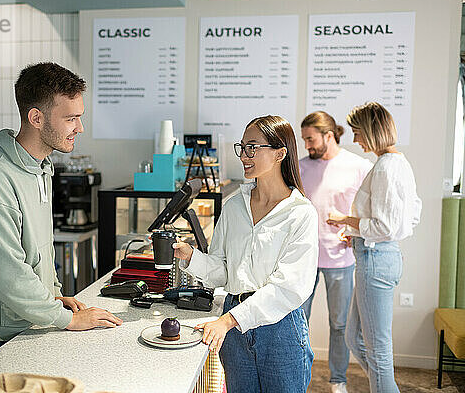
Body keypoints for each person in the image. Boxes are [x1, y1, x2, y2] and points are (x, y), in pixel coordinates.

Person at [0, 63, 122, 370]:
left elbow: (41, 248)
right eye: (71, 118)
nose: (79, 128)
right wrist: (66, 319)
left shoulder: (40, 168)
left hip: (25, 324)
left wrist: (54, 297)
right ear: (36, 118)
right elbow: (7, 274)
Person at [173, 115, 318, 393]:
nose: (244, 156)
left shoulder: (300, 213)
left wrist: (228, 321)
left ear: (280, 153)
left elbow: (289, 288)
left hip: (280, 330)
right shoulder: (233, 206)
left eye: (253, 147)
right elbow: (225, 269)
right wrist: (191, 257)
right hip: (235, 330)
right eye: (242, 147)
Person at [327, 102, 421, 393]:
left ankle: (384, 386)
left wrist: (345, 219)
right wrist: (355, 232)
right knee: (355, 338)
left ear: (370, 130)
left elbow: (383, 226)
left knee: (378, 351)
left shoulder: (385, 168)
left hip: (375, 260)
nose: (355, 140)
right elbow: (411, 214)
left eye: (357, 132)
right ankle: (386, 386)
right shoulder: (398, 163)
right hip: (379, 255)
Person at [299, 111, 372, 393]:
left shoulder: (358, 166)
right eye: (304, 139)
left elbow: (368, 209)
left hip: (341, 258)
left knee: (339, 324)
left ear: (328, 135)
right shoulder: (302, 167)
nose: (307, 145)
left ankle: (337, 381)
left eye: (310, 139)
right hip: (304, 259)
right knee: (298, 322)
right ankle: (299, 376)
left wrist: (352, 230)